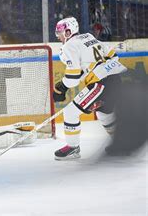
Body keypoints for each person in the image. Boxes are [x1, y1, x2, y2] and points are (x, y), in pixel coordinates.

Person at [52, 17, 127, 160]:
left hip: (101, 83)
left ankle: (73, 148)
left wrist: (61, 87)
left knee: (70, 112)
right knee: (104, 113)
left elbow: (73, 78)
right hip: (115, 79)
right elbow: (112, 55)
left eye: (60, 32)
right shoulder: (89, 37)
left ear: (68, 31)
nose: (58, 36)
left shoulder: (69, 46)